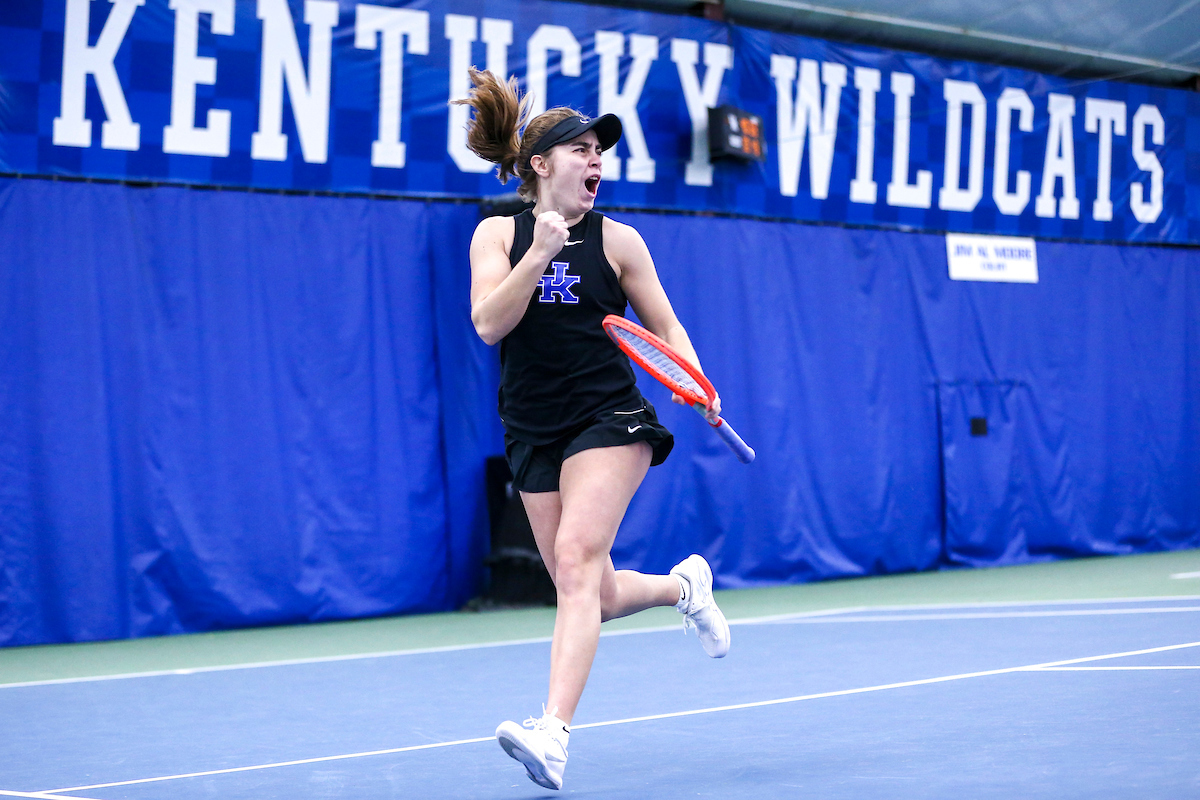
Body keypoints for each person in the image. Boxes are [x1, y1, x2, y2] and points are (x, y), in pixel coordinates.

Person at [455, 68, 730, 791]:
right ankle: (682, 588)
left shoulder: (620, 241)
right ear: (540, 165)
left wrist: (694, 382)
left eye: (600, 151)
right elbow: (489, 324)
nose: (596, 161)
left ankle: (553, 733)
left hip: (610, 415)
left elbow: (665, 327)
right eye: (580, 150)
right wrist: (539, 251)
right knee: (593, 594)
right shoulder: (496, 236)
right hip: (531, 427)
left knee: (577, 560)